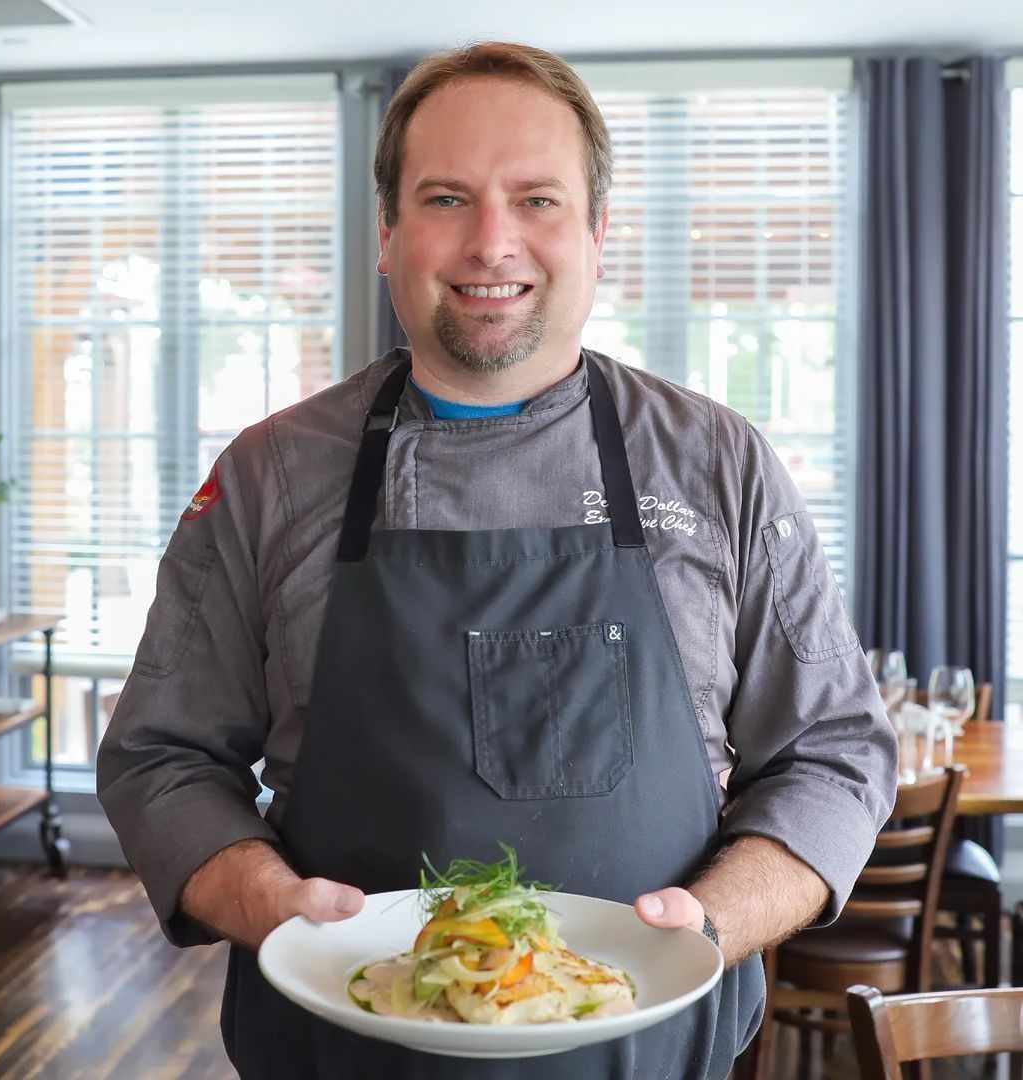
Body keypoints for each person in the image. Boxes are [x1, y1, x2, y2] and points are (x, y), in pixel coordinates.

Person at [97, 40, 896, 1080]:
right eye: (445, 198)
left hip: (654, 1056)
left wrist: (707, 920)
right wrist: (276, 908)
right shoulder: (270, 476)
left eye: (537, 200)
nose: (491, 241)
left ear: (599, 234)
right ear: (387, 234)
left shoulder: (718, 466)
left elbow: (834, 754)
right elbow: (159, 760)